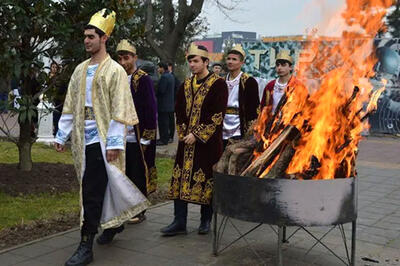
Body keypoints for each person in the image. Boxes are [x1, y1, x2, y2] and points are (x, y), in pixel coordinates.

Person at [54, 9, 149, 266]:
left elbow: (121, 110)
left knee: (92, 190)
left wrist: (115, 143)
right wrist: (62, 135)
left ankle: (86, 244)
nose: (86, 41)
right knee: (98, 186)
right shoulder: (79, 70)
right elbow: (70, 105)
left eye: (91, 36)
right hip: (82, 138)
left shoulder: (116, 71)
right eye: (84, 37)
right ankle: (113, 224)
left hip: (103, 139)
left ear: (104, 38)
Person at [160, 44, 228, 236]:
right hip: (185, 142)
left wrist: (197, 134)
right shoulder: (186, 84)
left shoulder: (218, 84)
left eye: (196, 61)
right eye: (190, 61)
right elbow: (179, 110)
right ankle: (179, 221)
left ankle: (205, 220)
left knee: (206, 179)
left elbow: (217, 114)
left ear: (206, 61)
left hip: (208, 144)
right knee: (180, 178)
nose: (192, 64)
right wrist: (182, 132)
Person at [116, 39, 158, 224]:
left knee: (137, 172)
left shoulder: (143, 79)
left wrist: (147, 137)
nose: (123, 62)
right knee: (122, 173)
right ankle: (124, 206)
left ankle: (139, 210)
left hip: (138, 134)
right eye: (120, 59)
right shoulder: (117, 77)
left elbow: (150, 108)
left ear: (135, 58)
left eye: (127, 58)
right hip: (120, 133)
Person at [223, 44, 260, 149]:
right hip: (222, 125)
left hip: (239, 126)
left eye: (234, 59)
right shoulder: (221, 81)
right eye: (229, 59)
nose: (230, 62)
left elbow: (254, 109)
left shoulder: (249, 82)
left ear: (242, 63)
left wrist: (251, 131)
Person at [156, 62, 175, 146]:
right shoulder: (171, 76)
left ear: (162, 68)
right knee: (167, 123)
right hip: (169, 104)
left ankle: (163, 140)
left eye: (158, 68)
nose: (157, 70)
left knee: (163, 123)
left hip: (163, 104)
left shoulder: (164, 77)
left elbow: (161, 90)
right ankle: (166, 138)